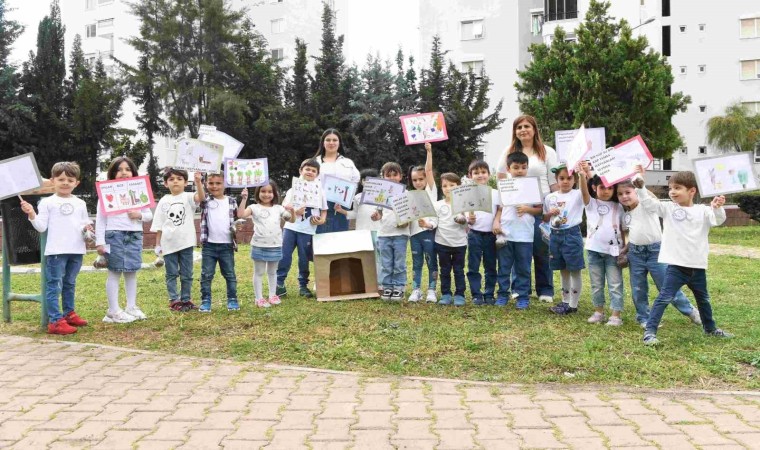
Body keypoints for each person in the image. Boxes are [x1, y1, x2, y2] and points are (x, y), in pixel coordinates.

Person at [631, 171, 733, 346]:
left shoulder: (703, 211)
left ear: (692, 191)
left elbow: (718, 219)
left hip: (698, 267)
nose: (672, 192)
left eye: (677, 188)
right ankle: (650, 332)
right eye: (670, 188)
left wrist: (717, 207)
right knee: (663, 298)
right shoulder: (669, 208)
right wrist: (641, 188)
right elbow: (649, 204)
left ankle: (710, 329)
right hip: (676, 267)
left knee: (703, 299)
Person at [617, 177, 702, 328]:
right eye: (620, 194)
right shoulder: (626, 214)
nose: (624, 196)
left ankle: (691, 312)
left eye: (628, 192)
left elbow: (652, 198)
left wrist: (639, 184)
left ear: (636, 192)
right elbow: (633, 236)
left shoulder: (647, 206)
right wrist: (625, 251)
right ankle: (643, 317)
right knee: (638, 288)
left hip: (655, 252)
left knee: (667, 286)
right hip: (635, 254)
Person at [20, 161, 91, 335]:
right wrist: (31, 214)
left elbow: (85, 222)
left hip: (76, 250)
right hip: (56, 252)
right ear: (52, 181)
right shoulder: (47, 203)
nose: (65, 182)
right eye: (61, 179)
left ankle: (69, 313)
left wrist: (88, 228)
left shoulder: (81, 203)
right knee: (54, 285)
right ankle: (55, 321)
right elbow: (41, 227)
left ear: (77, 183)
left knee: (70, 283)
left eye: (70, 179)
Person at [497, 115, 559, 303]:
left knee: (541, 248)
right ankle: (518, 288)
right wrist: (506, 199)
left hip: (540, 207)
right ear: (515, 131)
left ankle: (545, 289)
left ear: (534, 129)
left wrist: (555, 205)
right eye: (519, 127)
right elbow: (501, 176)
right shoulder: (509, 151)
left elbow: (554, 181)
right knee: (517, 248)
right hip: (515, 210)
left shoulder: (546, 152)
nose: (523, 130)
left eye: (527, 126)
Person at [95, 157, 153, 323]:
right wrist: (100, 242)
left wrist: (139, 215)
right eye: (119, 170)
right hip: (114, 235)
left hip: (134, 234)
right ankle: (113, 310)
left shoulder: (139, 192)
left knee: (131, 271)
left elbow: (149, 215)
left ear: (133, 173)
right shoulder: (106, 193)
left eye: (127, 169)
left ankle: (131, 306)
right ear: (112, 174)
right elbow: (100, 219)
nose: (124, 173)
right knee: (114, 271)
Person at [492, 152, 542, 308]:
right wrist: (496, 222)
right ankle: (502, 295)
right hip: (506, 233)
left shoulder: (532, 187)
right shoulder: (504, 186)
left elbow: (539, 210)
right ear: (508, 168)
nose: (520, 170)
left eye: (523, 167)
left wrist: (528, 208)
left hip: (525, 235)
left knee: (523, 268)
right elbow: (499, 209)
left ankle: (522, 296)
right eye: (516, 167)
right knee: (504, 266)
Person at [578, 162, 625, 326]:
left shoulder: (619, 206)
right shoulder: (591, 204)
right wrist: (582, 176)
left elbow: (624, 230)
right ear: (595, 188)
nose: (606, 191)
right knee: (596, 284)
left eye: (610, 188)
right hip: (594, 251)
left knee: (615, 284)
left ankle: (616, 315)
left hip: (614, 253)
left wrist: (625, 249)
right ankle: (598, 312)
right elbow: (584, 191)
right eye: (602, 187)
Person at [151, 168, 204, 312]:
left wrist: (198, 182)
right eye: (172, 179)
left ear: (186, 182)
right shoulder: (163, 200)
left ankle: (186, 299)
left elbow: (201, 197)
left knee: (187, 273)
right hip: (168, 244)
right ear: (166, 183)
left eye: (180, 179)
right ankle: (174, 299)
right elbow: (159, 224)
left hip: (186, 242)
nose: (176, 181)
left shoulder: (188, 197)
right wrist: (157, 244)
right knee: (171, 273)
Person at [276, 159, 328, 298]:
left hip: (308, 229)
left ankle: (303, 285)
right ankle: (279, 283)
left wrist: (321, 220)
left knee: (304, 258)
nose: (310, 172)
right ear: (300, 170)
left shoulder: (320, 191)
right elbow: (284, 208)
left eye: (313, 170)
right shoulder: (292, 190)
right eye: (307, 169)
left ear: (317, 174)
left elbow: (324, 210)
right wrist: (295, 212)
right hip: (291, 228)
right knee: (284, 255)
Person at [239, 182, 295, 307]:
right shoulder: (254, 207)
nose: (266, 194)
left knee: (272, 272)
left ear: (274, 194)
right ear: (258, 193)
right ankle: (258, 298)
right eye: (263, 191)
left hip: (275, 245)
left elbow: (291, 219)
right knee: (259, 272)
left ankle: (272, 295)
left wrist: (292, 210)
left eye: (270, 192)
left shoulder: (279, 208)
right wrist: (244, 199)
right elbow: (241, 214)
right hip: (259, 245)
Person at [544, 164, 585, 315]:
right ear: (556, 179)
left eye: (569, 178)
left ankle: (573, 305)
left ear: (574, 179)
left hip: (572, 234)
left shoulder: (578, 194)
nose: (565, 181)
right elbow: (545, 217)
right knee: (563, 269)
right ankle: (565, 301)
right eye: (562, 178)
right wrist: (550, 213)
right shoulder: (550, 197)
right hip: (555, 234)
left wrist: (582, 175)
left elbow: (586, 194)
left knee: (574, 269)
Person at [198, 173, 240, 312]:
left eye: (218, 183)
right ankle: (205, 301)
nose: (214, 186)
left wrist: (237, 226)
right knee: (206, 275)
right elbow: (201, 196)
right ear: (206, 184)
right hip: (209, 245)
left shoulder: (232, 201)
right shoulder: (206, 201)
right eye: (211, 183)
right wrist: (198, 181)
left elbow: (236, 219)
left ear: (225, 184)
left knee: (229, 274)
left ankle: (232, 299)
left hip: (227, 245)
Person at [371, 162, 410, 301]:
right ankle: (387, 287)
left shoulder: (406, 193)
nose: (392, 178)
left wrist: (406, 221)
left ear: (401, 176)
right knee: (386, 262)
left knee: (399, 263)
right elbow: (379, 213)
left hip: (401, 234)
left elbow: (410, 214)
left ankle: (399, 287)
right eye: (388, 175)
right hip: (383, 234)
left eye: (395, 175)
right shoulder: (381, 194)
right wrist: (376, 216)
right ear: (383, 177)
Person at [406, 143, 438, 303]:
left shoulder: (431, 191)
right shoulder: (409, 195)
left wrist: (429, 151)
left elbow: (429, 170)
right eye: (414, 180)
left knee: (431, 261)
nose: (418, 182)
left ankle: (432, 290)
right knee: (416, 263)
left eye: (421, 179)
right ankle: (416, 289)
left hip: (429, 233)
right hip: (414, 235)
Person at [465, 160, 500, 306]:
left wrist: (497, 221)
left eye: (483, 172)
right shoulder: (467, 194)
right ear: (470, 175)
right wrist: (469, 219)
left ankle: (489, 293)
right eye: (476, 173)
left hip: (490, 235)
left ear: (489, 174)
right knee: (473, 265)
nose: (480, 175)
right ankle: (476, 294)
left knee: (490, 265)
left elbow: (500, 209)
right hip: (474, 234)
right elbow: (465, 214)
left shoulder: (495, 193)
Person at [314, 128, 360, 233]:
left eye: (335, 140)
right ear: (323, 142)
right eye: (328, 140)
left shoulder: (348, 163)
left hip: (341, 208)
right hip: (320, 207)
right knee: (321, 242)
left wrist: (348, 197)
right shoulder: (315, 162)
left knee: (340, 243)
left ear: (339, 143)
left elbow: (355, 180)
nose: (331, 143)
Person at [434, 173, 469, 306]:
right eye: (445, 186)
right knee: (444, 270)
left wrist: (464, 220)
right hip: (442, 243)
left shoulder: (464, 205)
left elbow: (467, 225)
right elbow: (434, 222)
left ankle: (460, 294)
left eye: (452, 185)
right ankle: (446, 294)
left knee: (459, 270)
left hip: (460, 243)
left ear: (458, 186)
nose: (448, 188)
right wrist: (427, 224)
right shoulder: (438, 205)